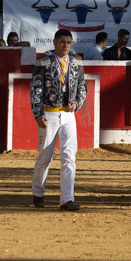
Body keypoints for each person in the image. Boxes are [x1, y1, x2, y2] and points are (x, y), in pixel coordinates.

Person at [30, 29, 85, 210]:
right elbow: (36, 90)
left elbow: (82, 88)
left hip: (69, 116)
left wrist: (77, 103)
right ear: (54, 42)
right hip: (49, 114)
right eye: (62, 42)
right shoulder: (44, 63)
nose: (65, 46)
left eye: (68, 42)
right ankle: (38, 193)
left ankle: (66, 199)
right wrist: (38, 114)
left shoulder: (76, 64)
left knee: (69, 157)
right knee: (45, 157)